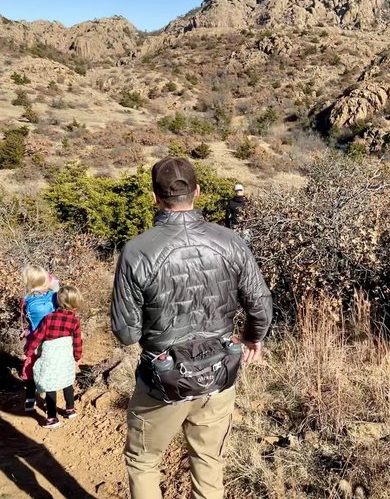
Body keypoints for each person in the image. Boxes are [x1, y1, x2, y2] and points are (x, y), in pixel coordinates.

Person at [112, 156, 272, 499]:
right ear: (197, 192)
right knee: (209, 462)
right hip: (219, 373)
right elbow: (260, 304)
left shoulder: (136, 251)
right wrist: (252, 339)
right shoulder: (231, 242)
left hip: (161, 379)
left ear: (155, 197)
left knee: (143, 462)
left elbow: (126, 333)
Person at [25, 285, 83, 429]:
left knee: (51, 385)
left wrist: (29, 350)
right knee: (67, 380)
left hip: (50, 356)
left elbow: (37, 337)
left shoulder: (48, 318)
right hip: (65, 356)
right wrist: (77, 356)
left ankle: (52, 418)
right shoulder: (75, 322)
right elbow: (77, 342)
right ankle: (70, 409)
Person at [20, 265, 59, 412]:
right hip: (50, 339)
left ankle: (30, 400)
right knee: (48, 370)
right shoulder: (53, 296)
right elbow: (56, 284)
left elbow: (28, 320)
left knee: (29, 368)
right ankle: (50, 407)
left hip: (33, 338)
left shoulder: (25, 300)